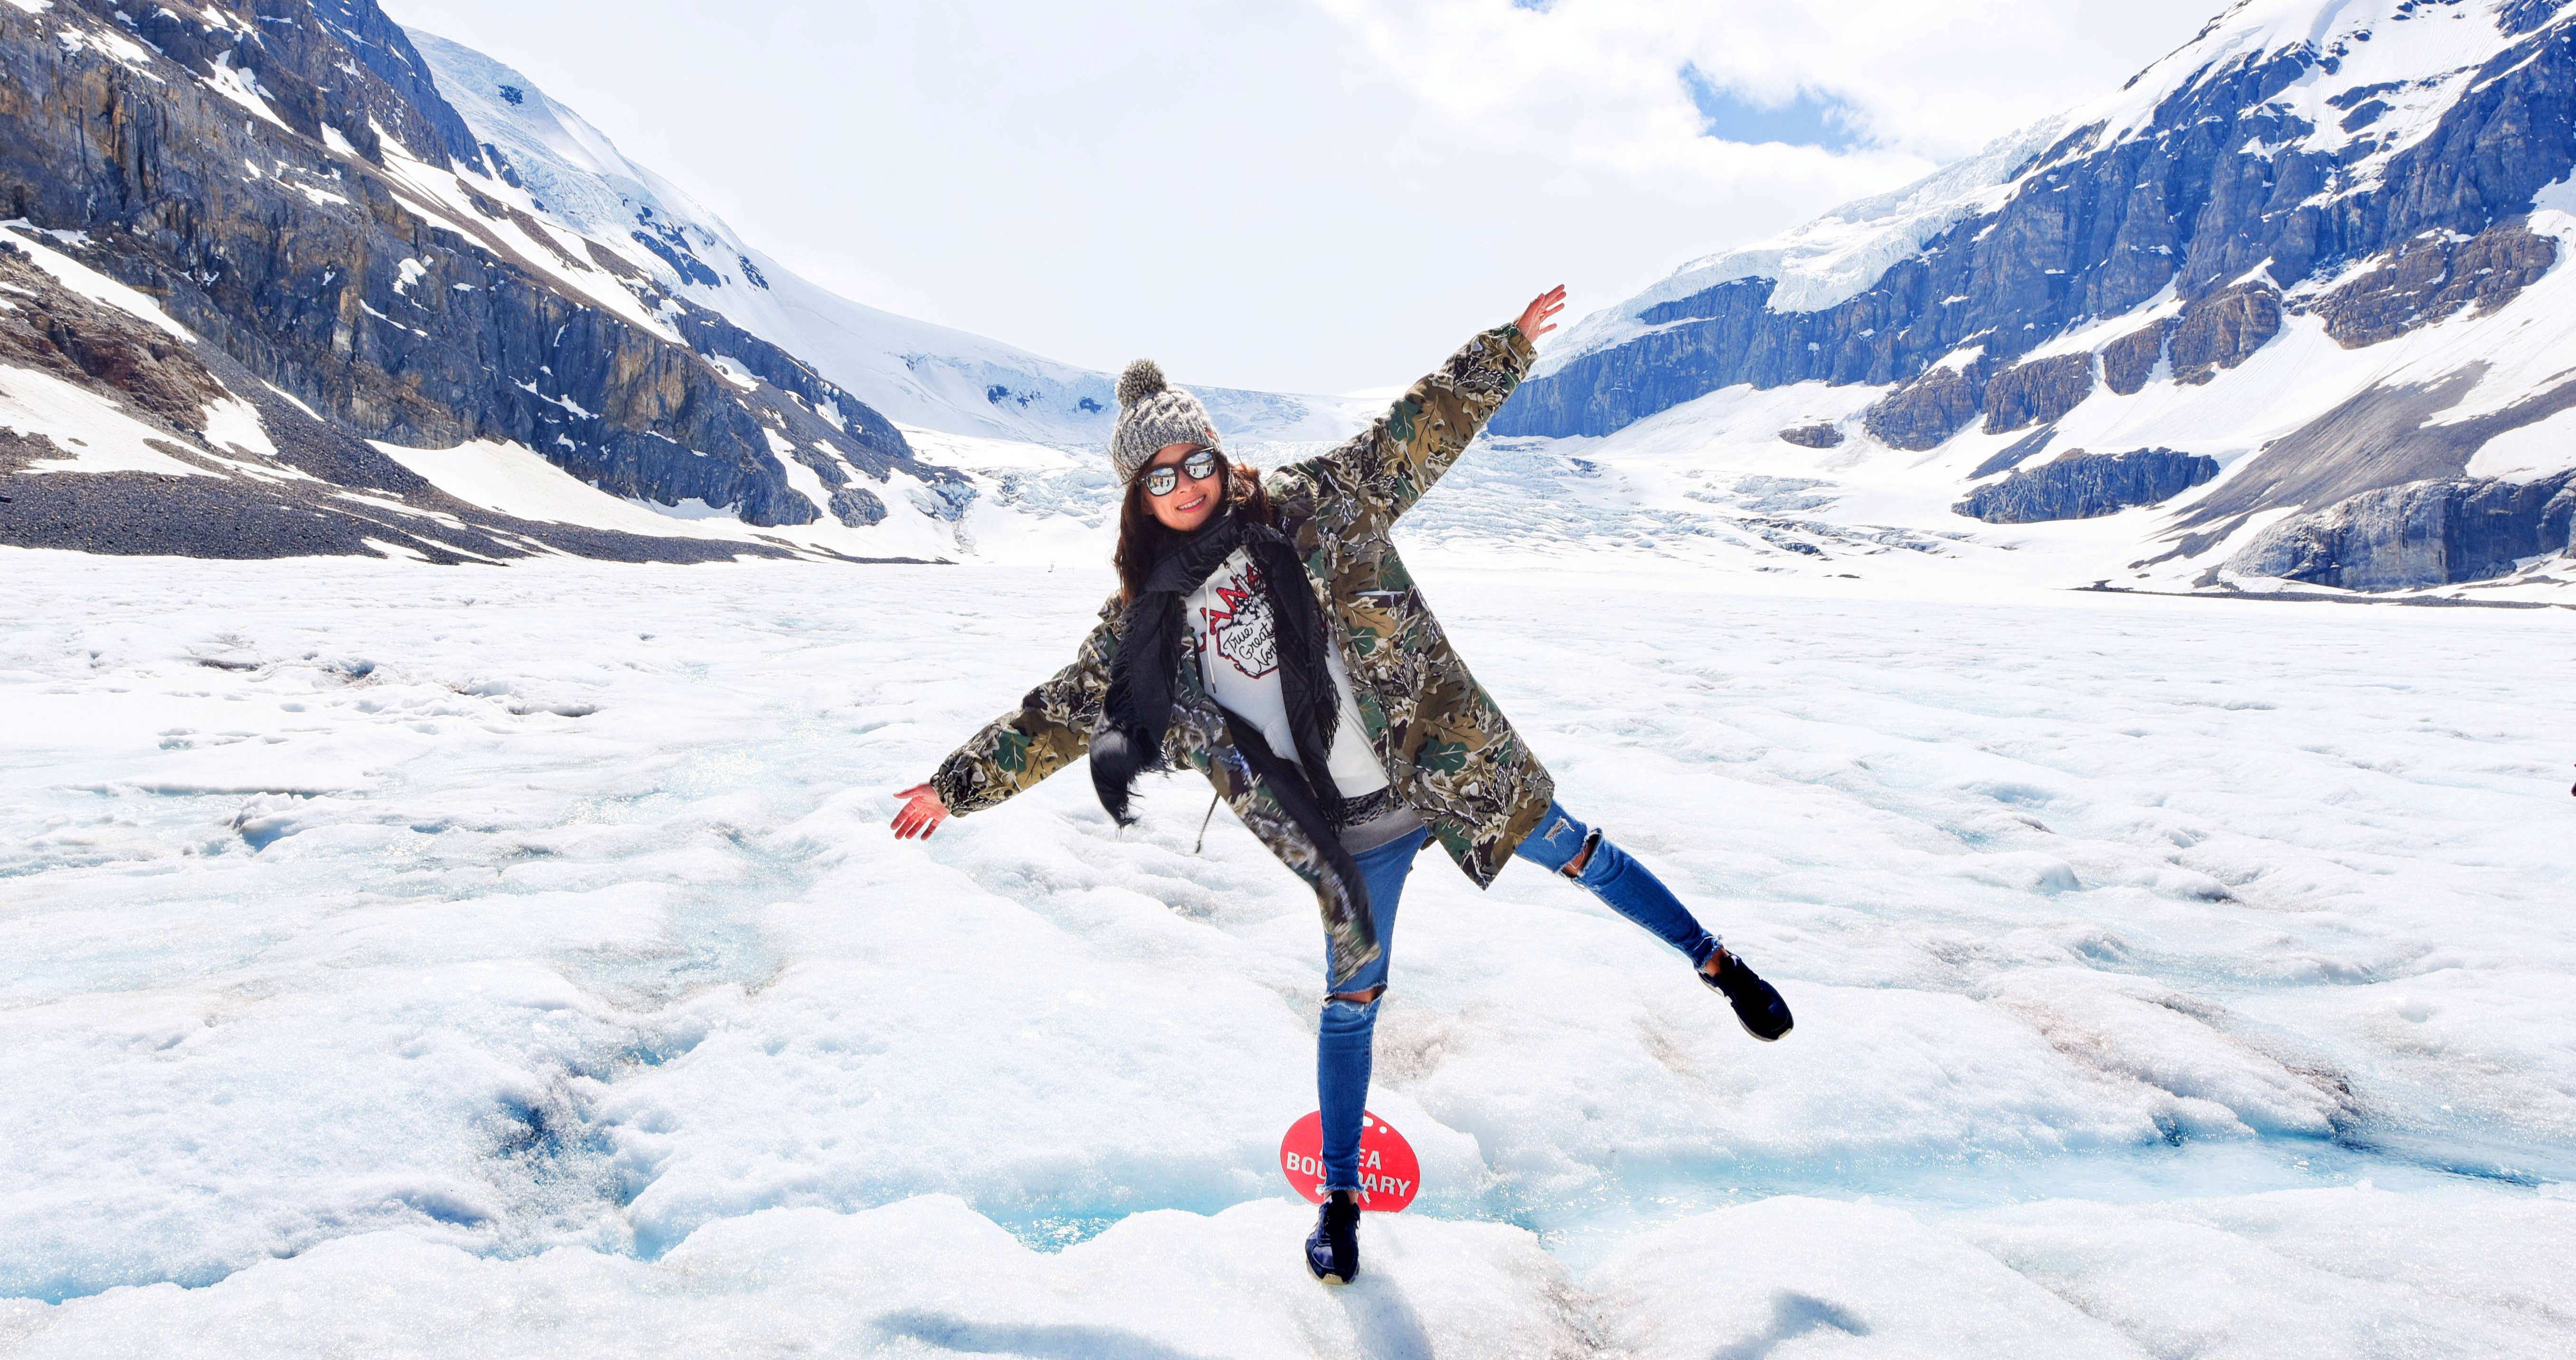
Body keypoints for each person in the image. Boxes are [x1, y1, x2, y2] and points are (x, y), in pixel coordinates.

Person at [889, 287, 1792, 1286]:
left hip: (1443, 764)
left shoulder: (1318, 504)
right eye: (1161, 475)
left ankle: (1718, 963)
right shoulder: (1143, 626)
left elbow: (1414, 435)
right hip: (1343, 835)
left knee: (1582, 850)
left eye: (1196, 460)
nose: (1186, 484)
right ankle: (1341, 1203)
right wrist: (953, 785)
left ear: (1218, 457)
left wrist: (1505, 349)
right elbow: (1057, 712)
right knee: (1352, 999)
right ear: (1138, 495)